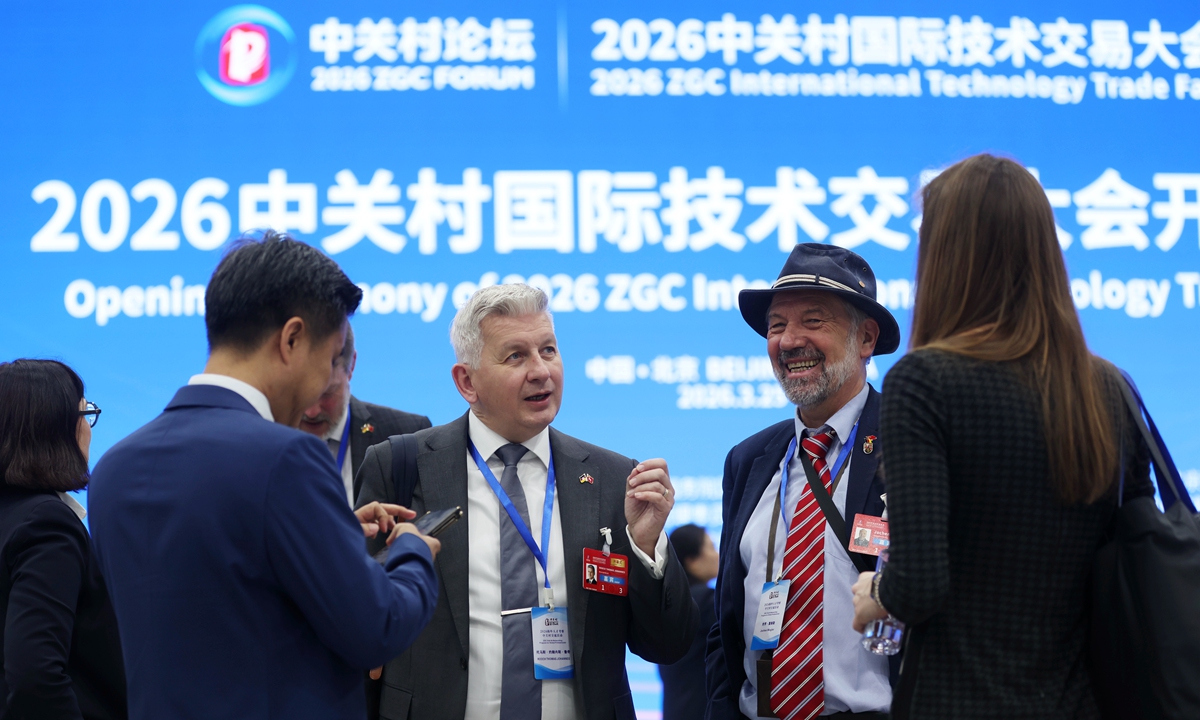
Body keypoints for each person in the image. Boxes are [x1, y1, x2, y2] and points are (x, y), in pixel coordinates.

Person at [88, 232, 441, 720]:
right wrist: (412, 550)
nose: (324, 384)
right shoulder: (286, 459)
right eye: (329, 356)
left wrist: (331, 533)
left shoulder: (114, 467)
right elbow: (376, 627)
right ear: (292, 339)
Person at [849, 154, 1153, 719]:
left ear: (945, 256)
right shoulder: (1107, 387)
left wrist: (874, 597)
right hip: (1081, 701)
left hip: (956, 701)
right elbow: (1134, 552)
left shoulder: (926, 381)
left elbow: (918, 585)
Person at [355, 283, 697, 720]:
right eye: (515, 356)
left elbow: (668, 644)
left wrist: (647, 547)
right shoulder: (402, 465)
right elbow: (360, 622)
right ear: (466, 382)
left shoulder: (611, 478)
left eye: (549, 350)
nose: (541, 371)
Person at [707, 243, 901, 720]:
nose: (790, 341)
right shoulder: (749, 459)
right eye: (777, 326)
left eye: (813, 321)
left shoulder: (910, 442)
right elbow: (726, 624)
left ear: (866, 338)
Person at [0, 359, 126, 720]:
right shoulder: (48, 523)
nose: (89, 427)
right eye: (85, 413)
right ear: (56, 428)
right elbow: (35, 676)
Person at [298, 324, 431, 507]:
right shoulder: (258, 438)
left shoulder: (408, 436)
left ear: (351, 365)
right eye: (301, 392)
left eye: (327, 393)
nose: (311, 412)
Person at [658, 524, 719, 720]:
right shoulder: (706, 602)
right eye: (711, 547)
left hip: (677, 709)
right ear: (692, 561)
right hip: (700, 710)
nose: (717, 555)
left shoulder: (669, 599)